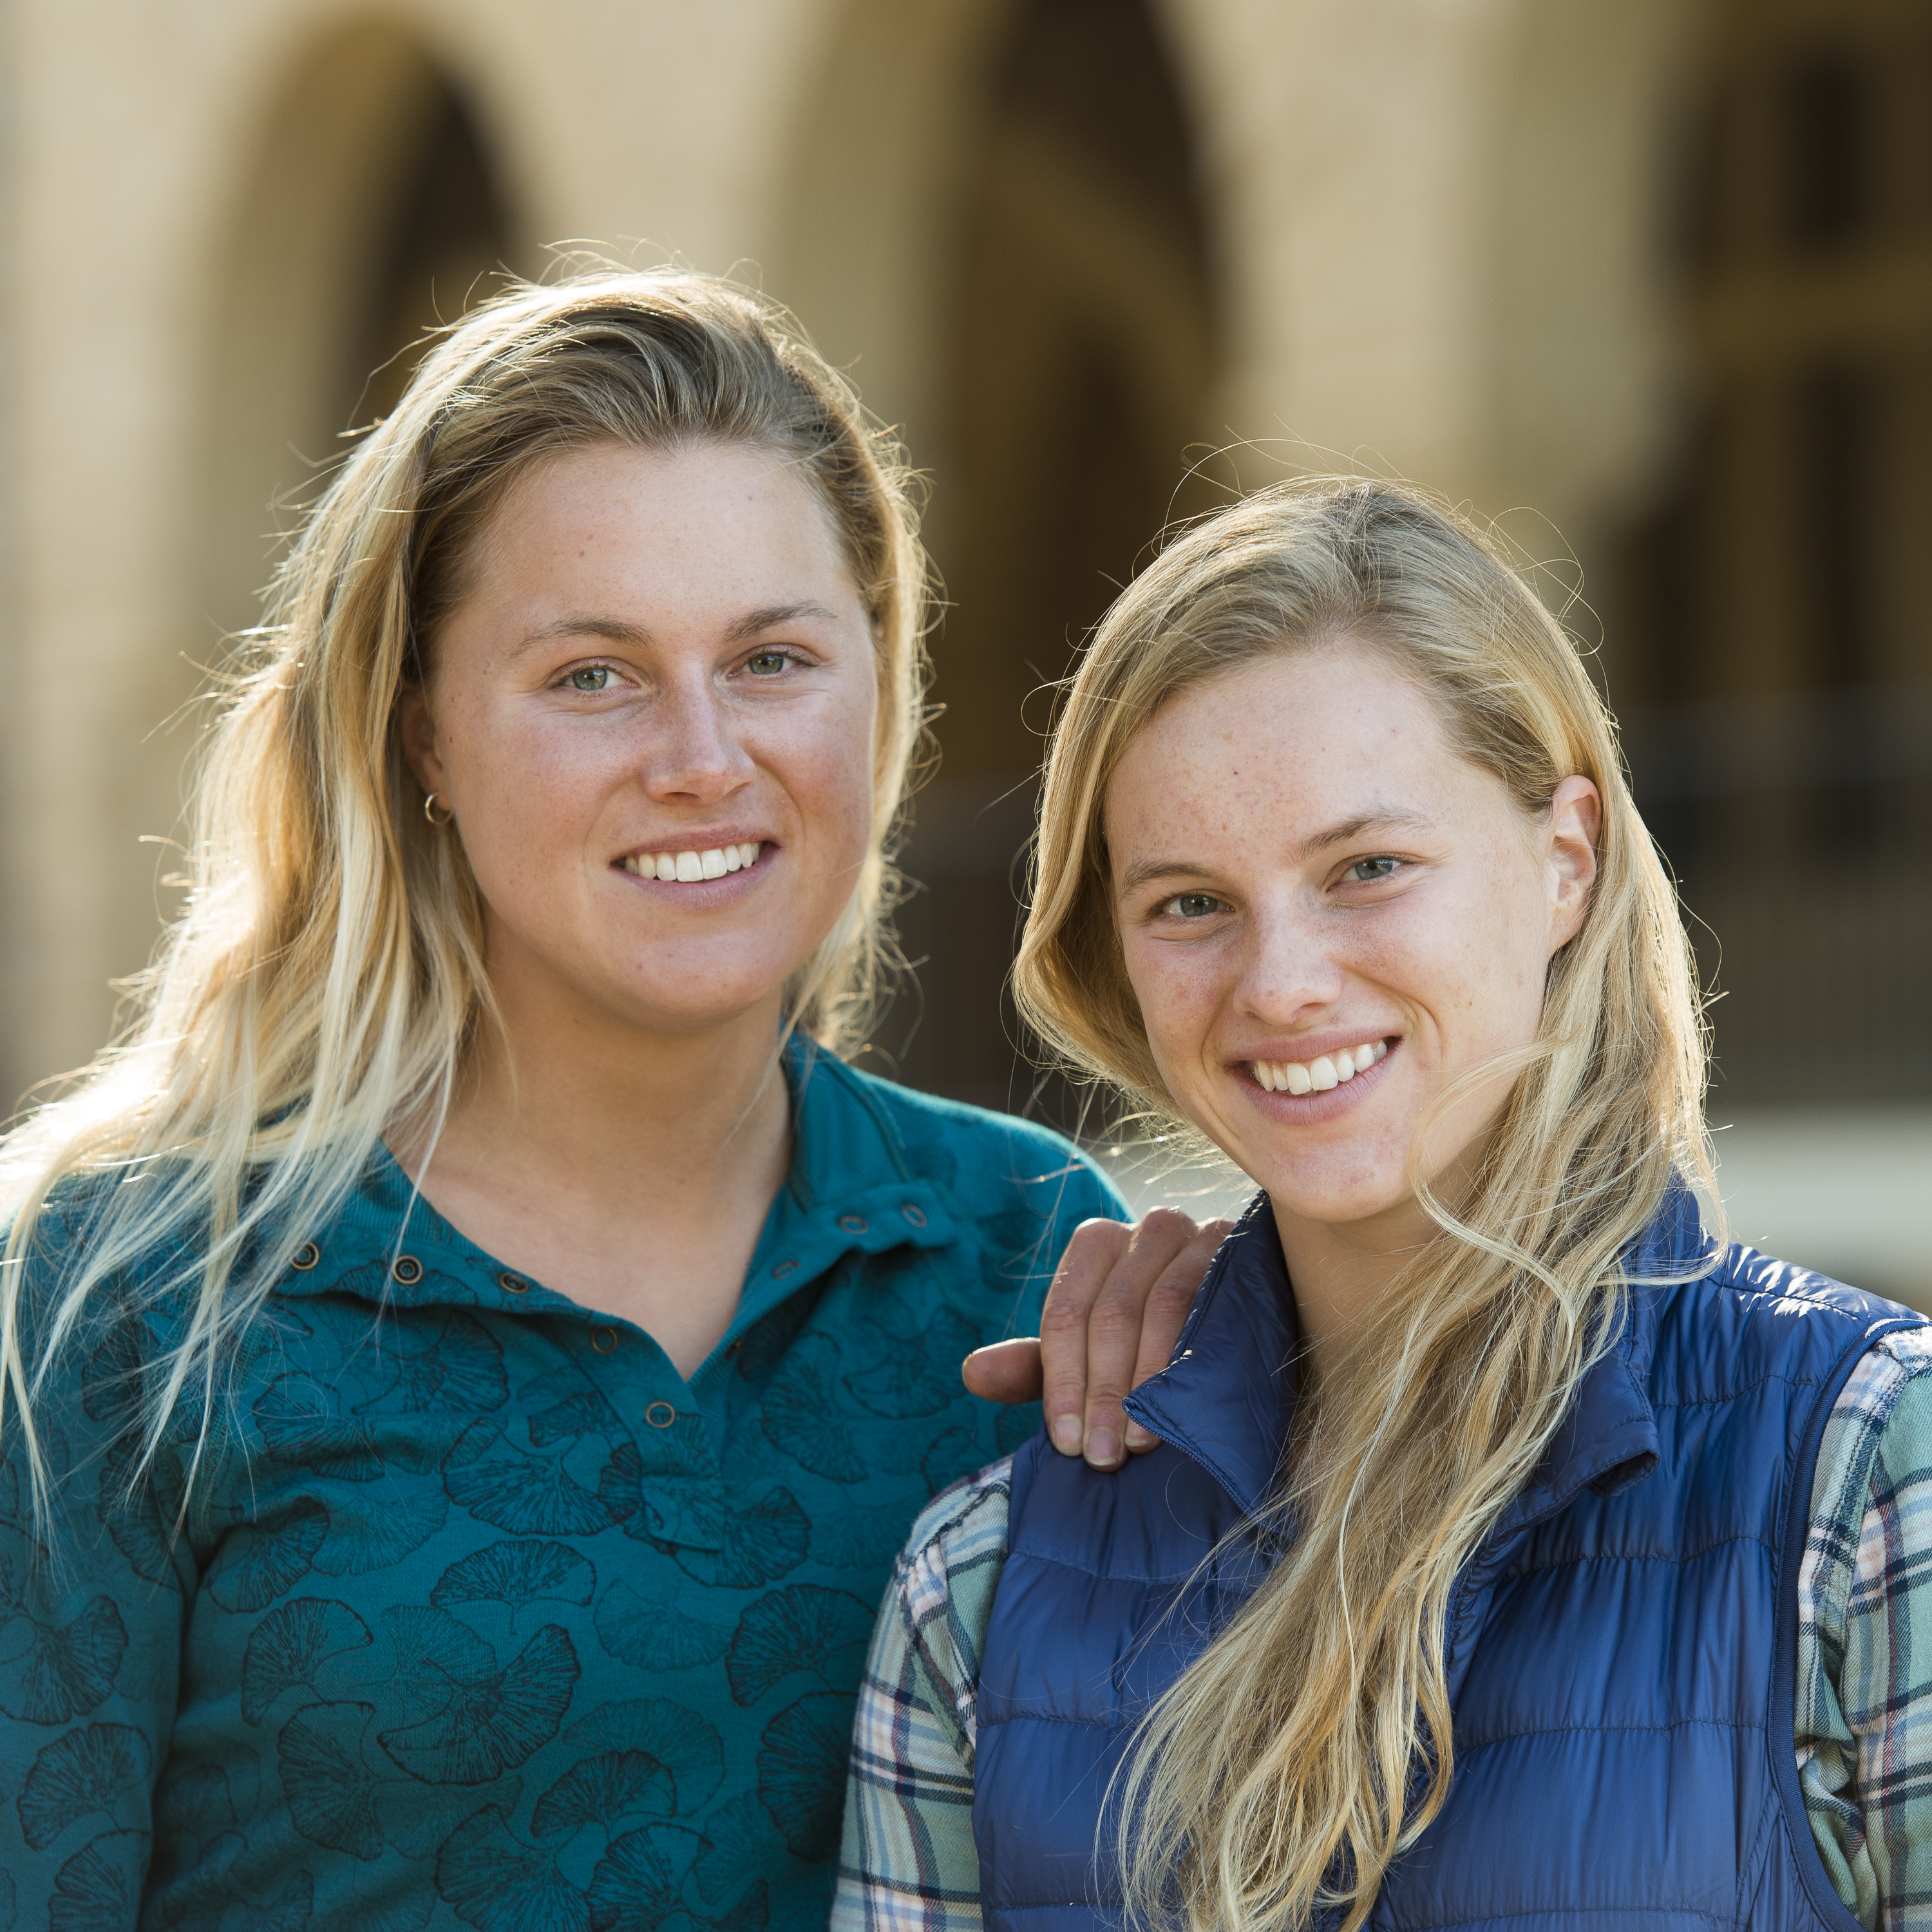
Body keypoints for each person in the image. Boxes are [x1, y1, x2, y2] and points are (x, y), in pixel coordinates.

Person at [0, 268, 1222, 1932]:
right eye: (594, 674)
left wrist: (1261, 1387)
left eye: (776, 658)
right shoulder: (138, 1300)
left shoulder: (1032, 1264)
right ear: (419, 729)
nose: (704, 757)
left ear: (881, 685)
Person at [838, 476, 1932, 1931]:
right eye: (1189, 903)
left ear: (1566, 862)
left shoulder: (1871, 1476)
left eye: (1367, 868)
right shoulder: (976, 1587)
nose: (1280, 982)